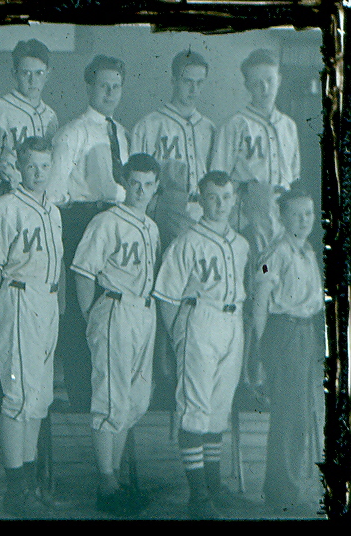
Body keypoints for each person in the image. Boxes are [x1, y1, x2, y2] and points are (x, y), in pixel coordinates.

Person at [152, 171, 249, 519]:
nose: (220, 204)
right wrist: (179, 334)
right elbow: (165, 295)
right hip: (200, 321)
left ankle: (213, 487)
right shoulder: (187, 240)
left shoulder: (241, 243)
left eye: (226, 196)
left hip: (232, 321)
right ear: (200, 199)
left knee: (218, 408)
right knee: (195, 407)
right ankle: (197, 497)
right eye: (212, 197)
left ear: (234, 197)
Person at [0, 136, 65, 518]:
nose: (38, 172)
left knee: (39, 398)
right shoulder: (5, 206)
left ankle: (29, 482)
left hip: (45, 301)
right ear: (20, 166)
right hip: (16, 296)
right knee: (16, 397)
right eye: (31, 165)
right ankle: (14, 490)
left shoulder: (53, 210)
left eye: (45, 166)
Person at [71, 153, 161, 516]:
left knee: (133, 400)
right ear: (125, 183)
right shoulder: (106, 220)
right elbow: (82, 270)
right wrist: (90, 314)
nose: (141, 191)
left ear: (156, 187)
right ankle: (106, 484)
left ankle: (115, 480)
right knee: (110, 398)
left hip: (143, 310)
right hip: (114, 307)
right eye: (136, 183)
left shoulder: (151, 227)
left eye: (149, 185)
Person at [46, 54, 129, 413]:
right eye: (103, 85)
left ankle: (108, 392)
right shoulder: (73, 132)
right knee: (82, 310)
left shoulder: (121, 133)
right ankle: (82, 395)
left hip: (114, 223)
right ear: (90, 87)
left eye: (116, 86)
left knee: (111, 307)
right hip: (81, 221)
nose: (110, 92)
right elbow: (53, 191)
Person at [249, 188, 324, 512]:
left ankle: (287, 486)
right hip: (284, 333)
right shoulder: (276, 252)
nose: (304, 220)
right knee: (289, 416)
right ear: (281, 217)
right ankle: (284, 492)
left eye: (308, 213)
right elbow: (262, 293)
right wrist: (262, 345)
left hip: (305, 332)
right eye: (296, 214)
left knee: (301, 414)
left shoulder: (305, 249)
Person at [210, 48, 300, 248]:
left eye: (270, 80)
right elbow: (218, 178)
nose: (265, 88)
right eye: (257, 83)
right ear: (247, 85)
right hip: (250, 207)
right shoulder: (235, 124)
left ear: (279, 79)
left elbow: (293, 176)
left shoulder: (289, 126)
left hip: (284, 206)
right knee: (258, 268)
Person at [0, 39, 58, 229]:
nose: (33, 80)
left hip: (42, 199)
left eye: (39, 73)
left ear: (48, 74)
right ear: (14, 73)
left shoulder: (50, 116)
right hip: (9, 197)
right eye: (26, 73)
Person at [130, 50, 215, 248]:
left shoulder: (209, 128)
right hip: (167, 209)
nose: (193, 89)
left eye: (199, 82)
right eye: (187, 81)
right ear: (174, 80)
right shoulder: (150, 124)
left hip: (203, 209)